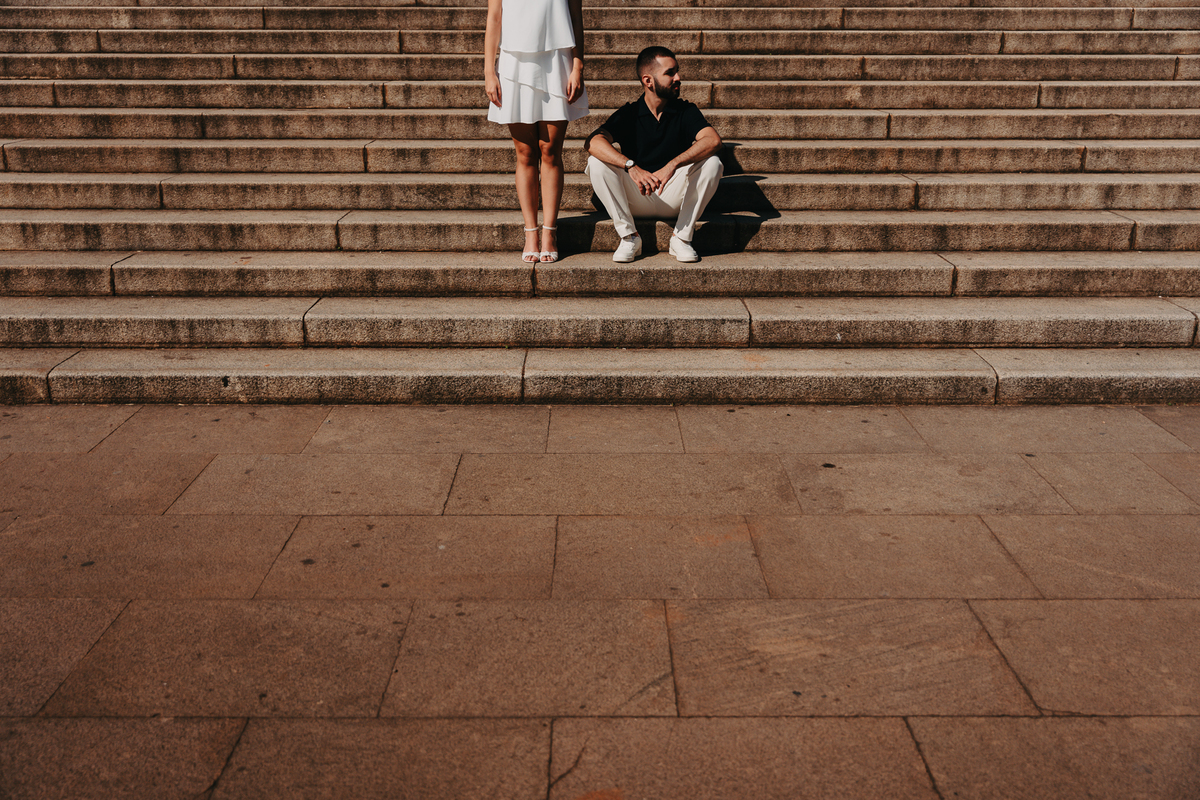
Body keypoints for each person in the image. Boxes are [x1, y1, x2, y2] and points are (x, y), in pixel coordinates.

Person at [584, 46, 724, 263]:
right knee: (596, 162)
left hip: (673, 195)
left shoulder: (685, 111)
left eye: (677, 71)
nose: (678, 78)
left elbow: (713, 140)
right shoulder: (629, 113)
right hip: (636, 195)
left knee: (713, 163)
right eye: (670, 73)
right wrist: (631, 166)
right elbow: (593, 142)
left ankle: (681, 238)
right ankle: (629, 237)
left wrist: (672, 165)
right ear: (648, 80)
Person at [485, 0, 588, 263]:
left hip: (557, 60)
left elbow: (576, 17)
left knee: (550, 149)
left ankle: (550, 232)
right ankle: (531, 232)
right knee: (525, 152)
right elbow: (494, 18)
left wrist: (578, 66)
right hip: (514, 62)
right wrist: (489, 72)